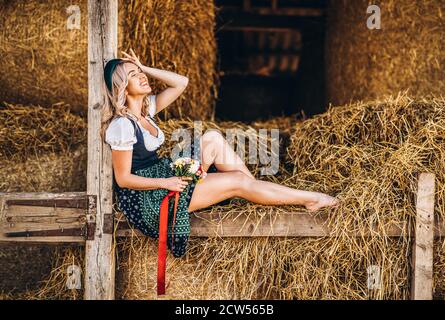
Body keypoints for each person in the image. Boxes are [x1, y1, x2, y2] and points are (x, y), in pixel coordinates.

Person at [101, 49, 339, 257]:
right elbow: (124, 179)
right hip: (147, 199)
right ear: (122, 87)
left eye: (139, 72)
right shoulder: (122, 125)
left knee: (212, 138)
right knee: (237, 180)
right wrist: (168, 182)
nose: (141, 76)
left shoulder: (146, 109)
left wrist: (143, 67)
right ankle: (309, 198)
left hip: (162, 175)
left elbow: (181, 83)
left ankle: (255, 190)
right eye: (133, 75)